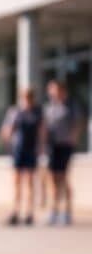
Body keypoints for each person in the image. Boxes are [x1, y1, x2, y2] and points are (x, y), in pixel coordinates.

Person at [0, 88, 44, 226]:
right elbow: (6, 130)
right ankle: (15, 211)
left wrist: (41, 147)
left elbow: (42, 131)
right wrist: (8, 141)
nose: (27, 100)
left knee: (30, 182)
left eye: (29, 97)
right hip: (18, 149)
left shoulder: (37, 112)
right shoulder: (15, 112)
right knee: (16, 182)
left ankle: (29, 213)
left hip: (31, 150)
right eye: (25, 97)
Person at [44, 80, 82, 226]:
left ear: (60, 90)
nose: (51, 92)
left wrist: (73, 138)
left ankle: (67, 211)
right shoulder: (49, 107)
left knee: (64, 177)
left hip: (65, 146)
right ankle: (54, 211)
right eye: (50, 90)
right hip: (52, 146)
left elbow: (78, 123)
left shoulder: (70, 106)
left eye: (53, 89)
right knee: (53, 179)